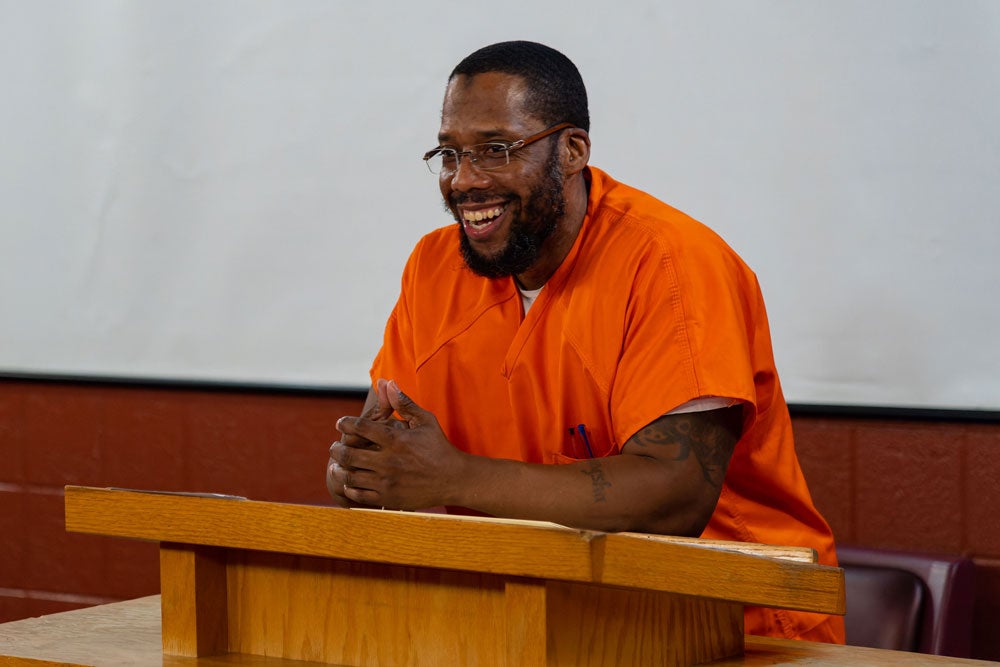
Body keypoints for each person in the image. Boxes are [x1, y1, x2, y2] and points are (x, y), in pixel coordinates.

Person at [326, 40, 844, 643]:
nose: (464, 180)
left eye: (496, 150)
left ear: (572, 150)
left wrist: (453, 478)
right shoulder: (433, 267)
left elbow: (674, 498)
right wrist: (361, 472)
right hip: (537, 621)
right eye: (449, 154)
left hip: (731, 628)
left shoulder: (673, 263)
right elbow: (385, 449)